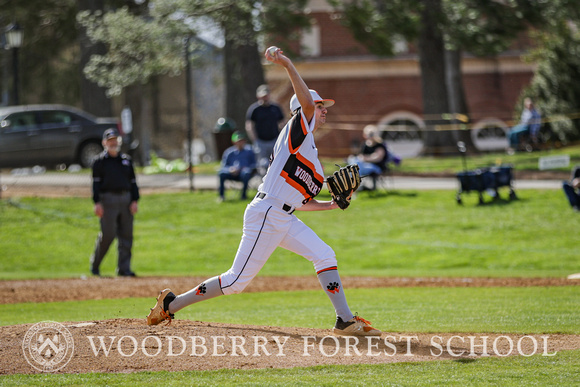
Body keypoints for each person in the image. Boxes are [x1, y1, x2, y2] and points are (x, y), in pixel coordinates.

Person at [147, 47, 381, 337]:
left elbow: (302, 202)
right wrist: (287, 64)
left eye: (323, 107)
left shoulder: (312, 157)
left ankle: (344, 320)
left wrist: (330, 206)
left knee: (324, 254)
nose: (323, 110)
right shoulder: (296, 130)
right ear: (302, 110)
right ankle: (172, 303)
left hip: (282, 215)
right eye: (319, 106)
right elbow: (305, 104)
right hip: (267, 213)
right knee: (235, 283)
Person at [90, 128, 140, 277]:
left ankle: (124, 269)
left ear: (119, 142)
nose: (113, 143)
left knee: (126, 235)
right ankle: (95, 264)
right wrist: (97, 203)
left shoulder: (126, 161)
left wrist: (135, 200)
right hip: (108, 200)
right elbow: (96, 184)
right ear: (104, 143)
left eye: (115, 140)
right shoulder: (99, 162)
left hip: (125, 199)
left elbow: (133, 182)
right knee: (108, 235)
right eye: (109, 140)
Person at [245, 84, 285, 175]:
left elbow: (282, 122)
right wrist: (255, 139)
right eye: (262, 96)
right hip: (261, 141)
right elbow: (249, 125)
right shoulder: (254, 109)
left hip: (274, 140)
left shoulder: (275, 108)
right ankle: (263, 184)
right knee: (262, 164)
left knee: (275, 163)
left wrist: (281, 137)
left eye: (266, 95)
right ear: (258, 96)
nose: (265, 98)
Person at [349, 124, 400, 190]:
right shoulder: (364, 145)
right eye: (369, 134)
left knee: (357, 166)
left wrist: (366, 158)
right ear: (365, 135)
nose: (370, 136)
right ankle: (356, 184)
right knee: (353, 162)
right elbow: (361, 156)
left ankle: (356, 185)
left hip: (377, 167)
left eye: (372, 134)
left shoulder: (380, 145)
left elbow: (378, 158)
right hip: (364, 166)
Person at [218, 131, 256, 202]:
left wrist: (244, 169)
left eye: (242, 141)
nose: (240, 143)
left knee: (246, 173)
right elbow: (223, 166)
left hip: (244, 174)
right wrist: (230, 169)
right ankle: (221, 196)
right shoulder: (229, 152)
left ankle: (243, 196)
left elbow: (254, 164)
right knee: (222, 174)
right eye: (238, 141)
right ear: (234, 142)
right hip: (231, 173)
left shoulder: (250, 151)